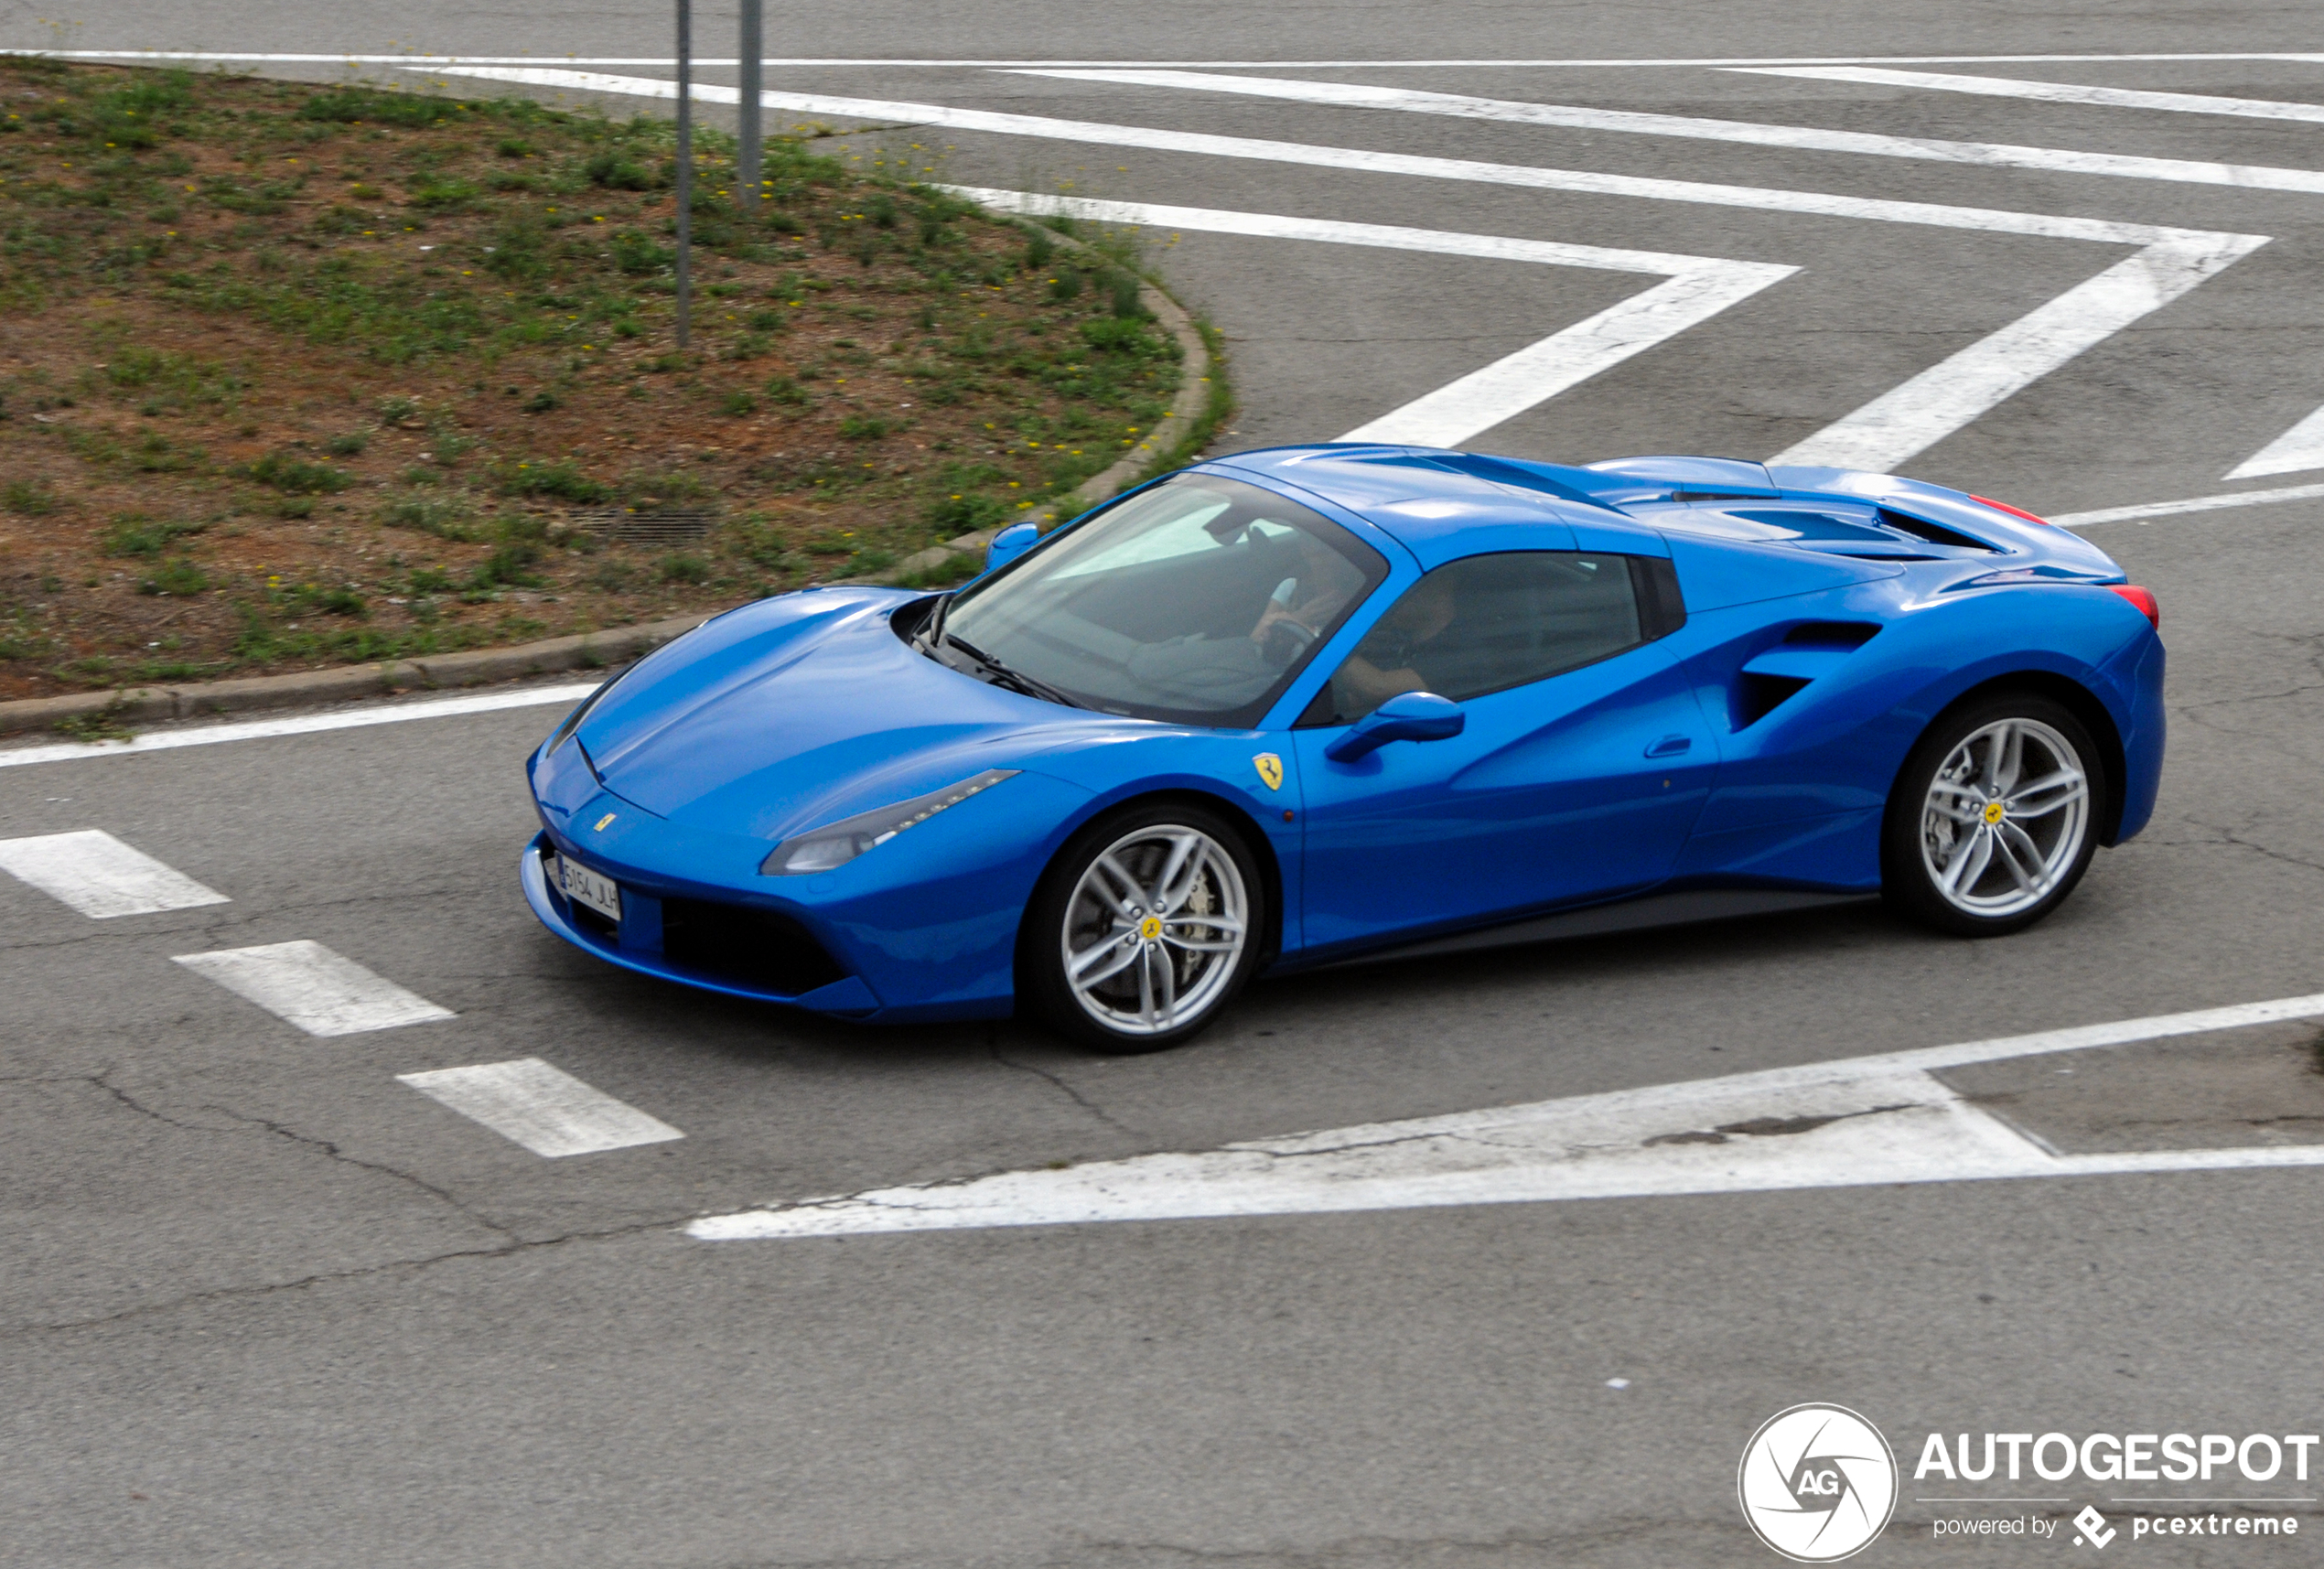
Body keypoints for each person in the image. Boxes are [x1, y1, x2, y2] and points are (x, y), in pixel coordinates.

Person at [1327, 571, 1460, 718]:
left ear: (1440, 590)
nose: (1388, 601)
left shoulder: (1459, 651)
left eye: (1401, 592)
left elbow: (1378, 688)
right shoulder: (1393, 637)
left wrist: (1321, 641)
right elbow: (1356, 698)